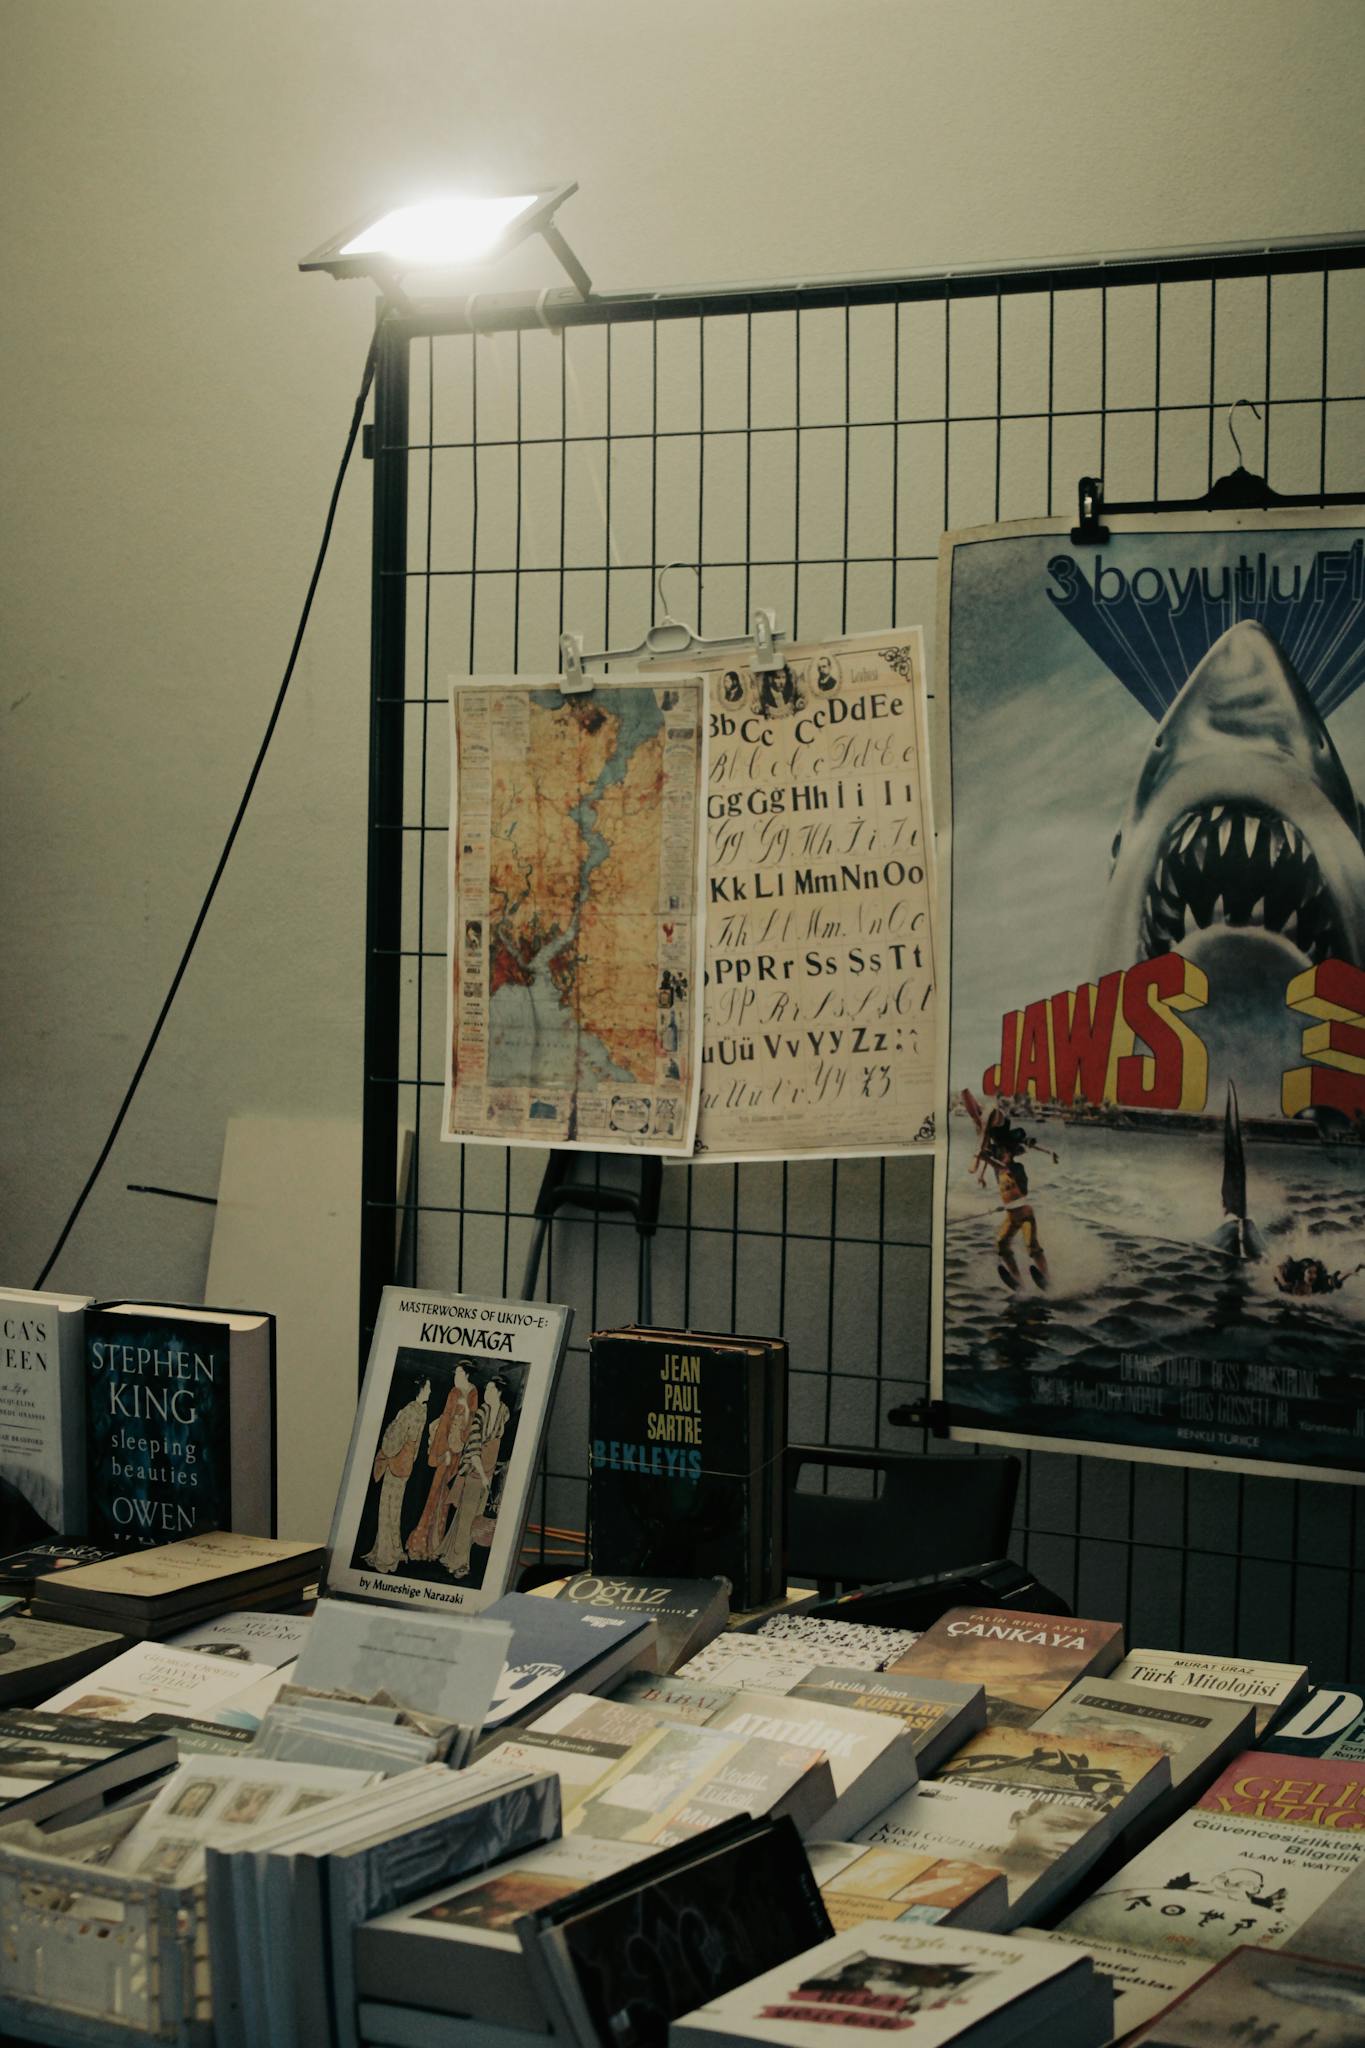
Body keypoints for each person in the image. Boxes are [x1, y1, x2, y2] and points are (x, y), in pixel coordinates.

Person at [440, 1379, 510, 1578]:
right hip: (474, 1471)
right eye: (485, 1387)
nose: (486, 1391)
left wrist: (494, 1472)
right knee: (466, 1519)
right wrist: (482, 1476)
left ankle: (456, 1557)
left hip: (490, 1471)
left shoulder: (504, 1413)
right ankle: (459, 1563)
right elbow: (473, 1448)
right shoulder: (481, 1413)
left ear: (498, 1392)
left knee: (477, 1521)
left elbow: (498, 1444)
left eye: (489, 1388)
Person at [406, 1369, 476, 1562]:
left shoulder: (472, 1393)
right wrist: (440, 1447)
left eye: (459, 1373)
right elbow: (445, 1418)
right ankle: (421, 1542)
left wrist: (466, 1411)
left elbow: (470, 1423)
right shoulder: (454, 1391)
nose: (456, 1376)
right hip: (445, 1447)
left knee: (445, 1494)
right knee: (434, 1492)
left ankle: (435, 1543)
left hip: (457, 1449)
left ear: (466, 1375)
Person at [363, 1378, 431, 1573]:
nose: (430, 1392)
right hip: (405, 1463)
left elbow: (393, 1440)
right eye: (428, 1388)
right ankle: (387, 1550)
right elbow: (413, 1445)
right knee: (393, 1510)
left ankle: (386, 1556)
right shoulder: (420, 1411)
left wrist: (397, 1419)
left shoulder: (410, 1410)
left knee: (387, 1510)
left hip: (397, 1462)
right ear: (421, 1389)